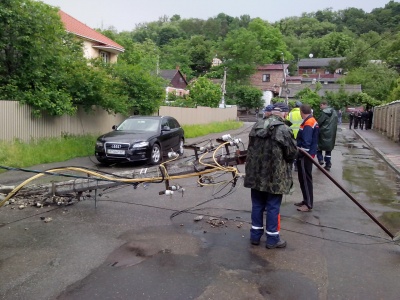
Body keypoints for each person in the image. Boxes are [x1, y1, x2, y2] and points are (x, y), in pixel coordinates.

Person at [244, 102, 298, 249]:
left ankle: (255, 237)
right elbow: (292, 153)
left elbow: (250, 149)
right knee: (273, 207)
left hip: (255, 175)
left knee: (257, 205)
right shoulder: (284, 130)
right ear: (284, 114)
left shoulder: (257, 126)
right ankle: (272, 239)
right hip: (275, 177)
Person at [295, 104, 319, 212]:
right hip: (305, 155)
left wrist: (300, 154)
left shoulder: (309, 123)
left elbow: (306, 142)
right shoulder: (309, 120)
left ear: (301, 112)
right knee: (302, 179)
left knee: (305, 179)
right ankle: (305, 200)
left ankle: (308, 204)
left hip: (305, 155)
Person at [316, 100, 338, 171]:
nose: (320, 107)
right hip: (331, 133)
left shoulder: (324, 113)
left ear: (323, 104)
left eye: (321, 106)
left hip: (323, 132)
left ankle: (320, 159)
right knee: (328, 150)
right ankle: (328, 164)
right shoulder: (334, 113)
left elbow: (319, 122)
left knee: (318, 147)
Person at [286, 100, 303, 172]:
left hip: (291, 134)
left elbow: (286, 122)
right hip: (300, 134)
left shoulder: (290, 114)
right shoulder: (302, 113)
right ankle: (296, 166)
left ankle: (290, 164)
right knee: (298, 150)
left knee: (291, 150)